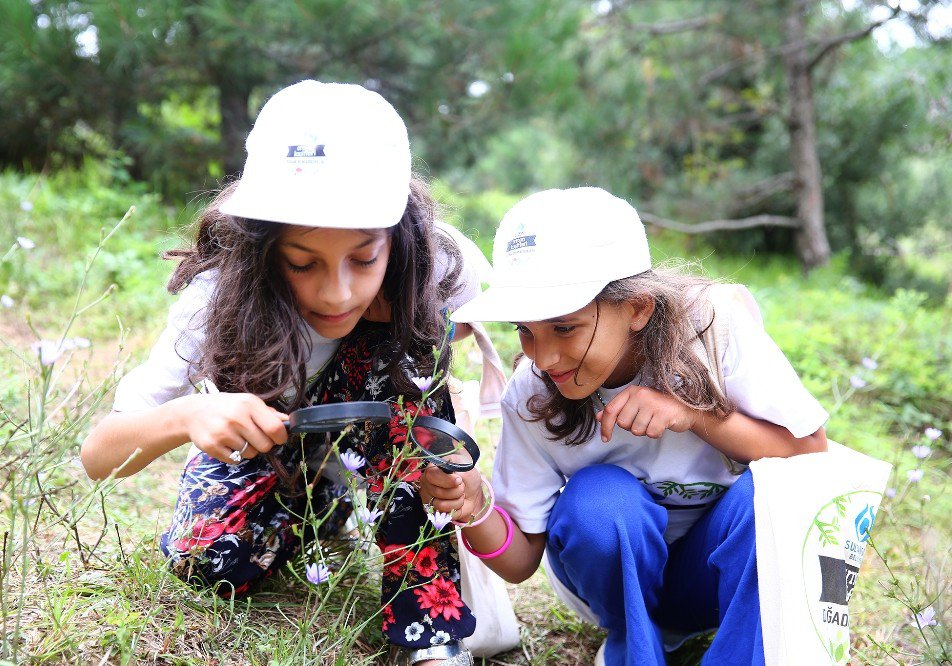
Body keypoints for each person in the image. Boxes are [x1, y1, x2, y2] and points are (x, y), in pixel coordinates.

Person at [81, 80, 480, 665]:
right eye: (302, 262)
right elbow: (98, 456)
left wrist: (409, 324)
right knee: (210, 560)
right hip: (271, 451)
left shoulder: (439, 265)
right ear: (262, 247)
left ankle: (428, 624)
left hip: (383, 427)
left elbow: (472, 335)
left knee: (397, 358)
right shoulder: (215, 301)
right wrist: (191, 414)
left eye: (365, 258)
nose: (337, 291)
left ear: (402, 237)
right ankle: (325, 509)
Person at [418, 187, 829, 665]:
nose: (543, 356)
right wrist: (473, 506)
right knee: (599, 500)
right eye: (525, 330)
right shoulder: (531, 394)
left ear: (637, 307)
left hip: (718, 576)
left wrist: (695, 415)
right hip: (615, 582)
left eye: (565, 327)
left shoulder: (713, 330)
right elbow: (521, 559)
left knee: (766, 495)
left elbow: (809, 453)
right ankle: (634, 645)